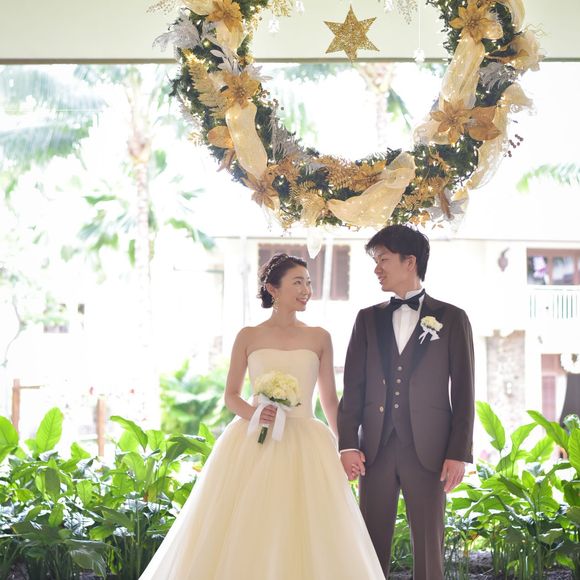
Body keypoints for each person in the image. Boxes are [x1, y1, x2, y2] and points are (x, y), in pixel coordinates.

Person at [140, 253, 384, 579]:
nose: (306, 290)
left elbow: (328, 399)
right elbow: (231, 395)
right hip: (254, 438)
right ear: (273, 288)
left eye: (308, 283)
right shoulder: (248, 336)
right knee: (247, 523)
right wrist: (255, 412)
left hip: (307, 441)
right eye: (298, 282)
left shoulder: (320, 337)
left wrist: (345, 446)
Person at [338, 225, 475, 580]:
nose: (377, 269)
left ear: (409, 261)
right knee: (370, 547)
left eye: (383, 259)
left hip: (430, 452)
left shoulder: (452, 318)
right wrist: (348, 444)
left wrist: (458, 452)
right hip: (375, 450)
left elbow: (464, 392)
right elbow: (352, 387)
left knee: (429, 550)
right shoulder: (366, 319)